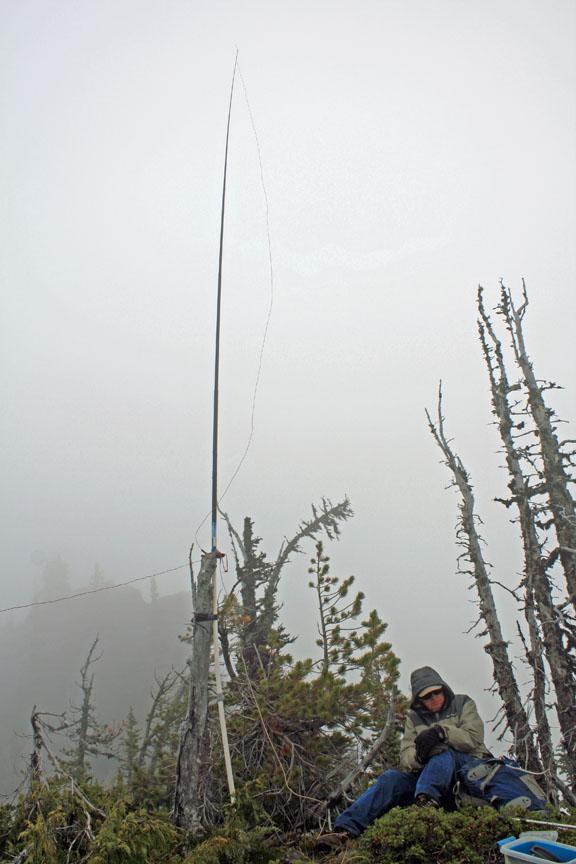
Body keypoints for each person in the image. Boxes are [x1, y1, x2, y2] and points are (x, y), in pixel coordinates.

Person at [316, 666, 547, 850]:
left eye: (436, 692)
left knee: (442, 751)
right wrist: (420, 755)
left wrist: (441, 732)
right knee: (391, 779)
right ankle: (344, 831)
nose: (434, 698)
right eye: (427, 696)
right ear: (419, 700)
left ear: (443, 689)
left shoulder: (463, 703)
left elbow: (473, 738)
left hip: (467, 769)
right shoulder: (414, 717)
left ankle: (424, 805)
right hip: (431, 776)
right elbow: (405, 755)